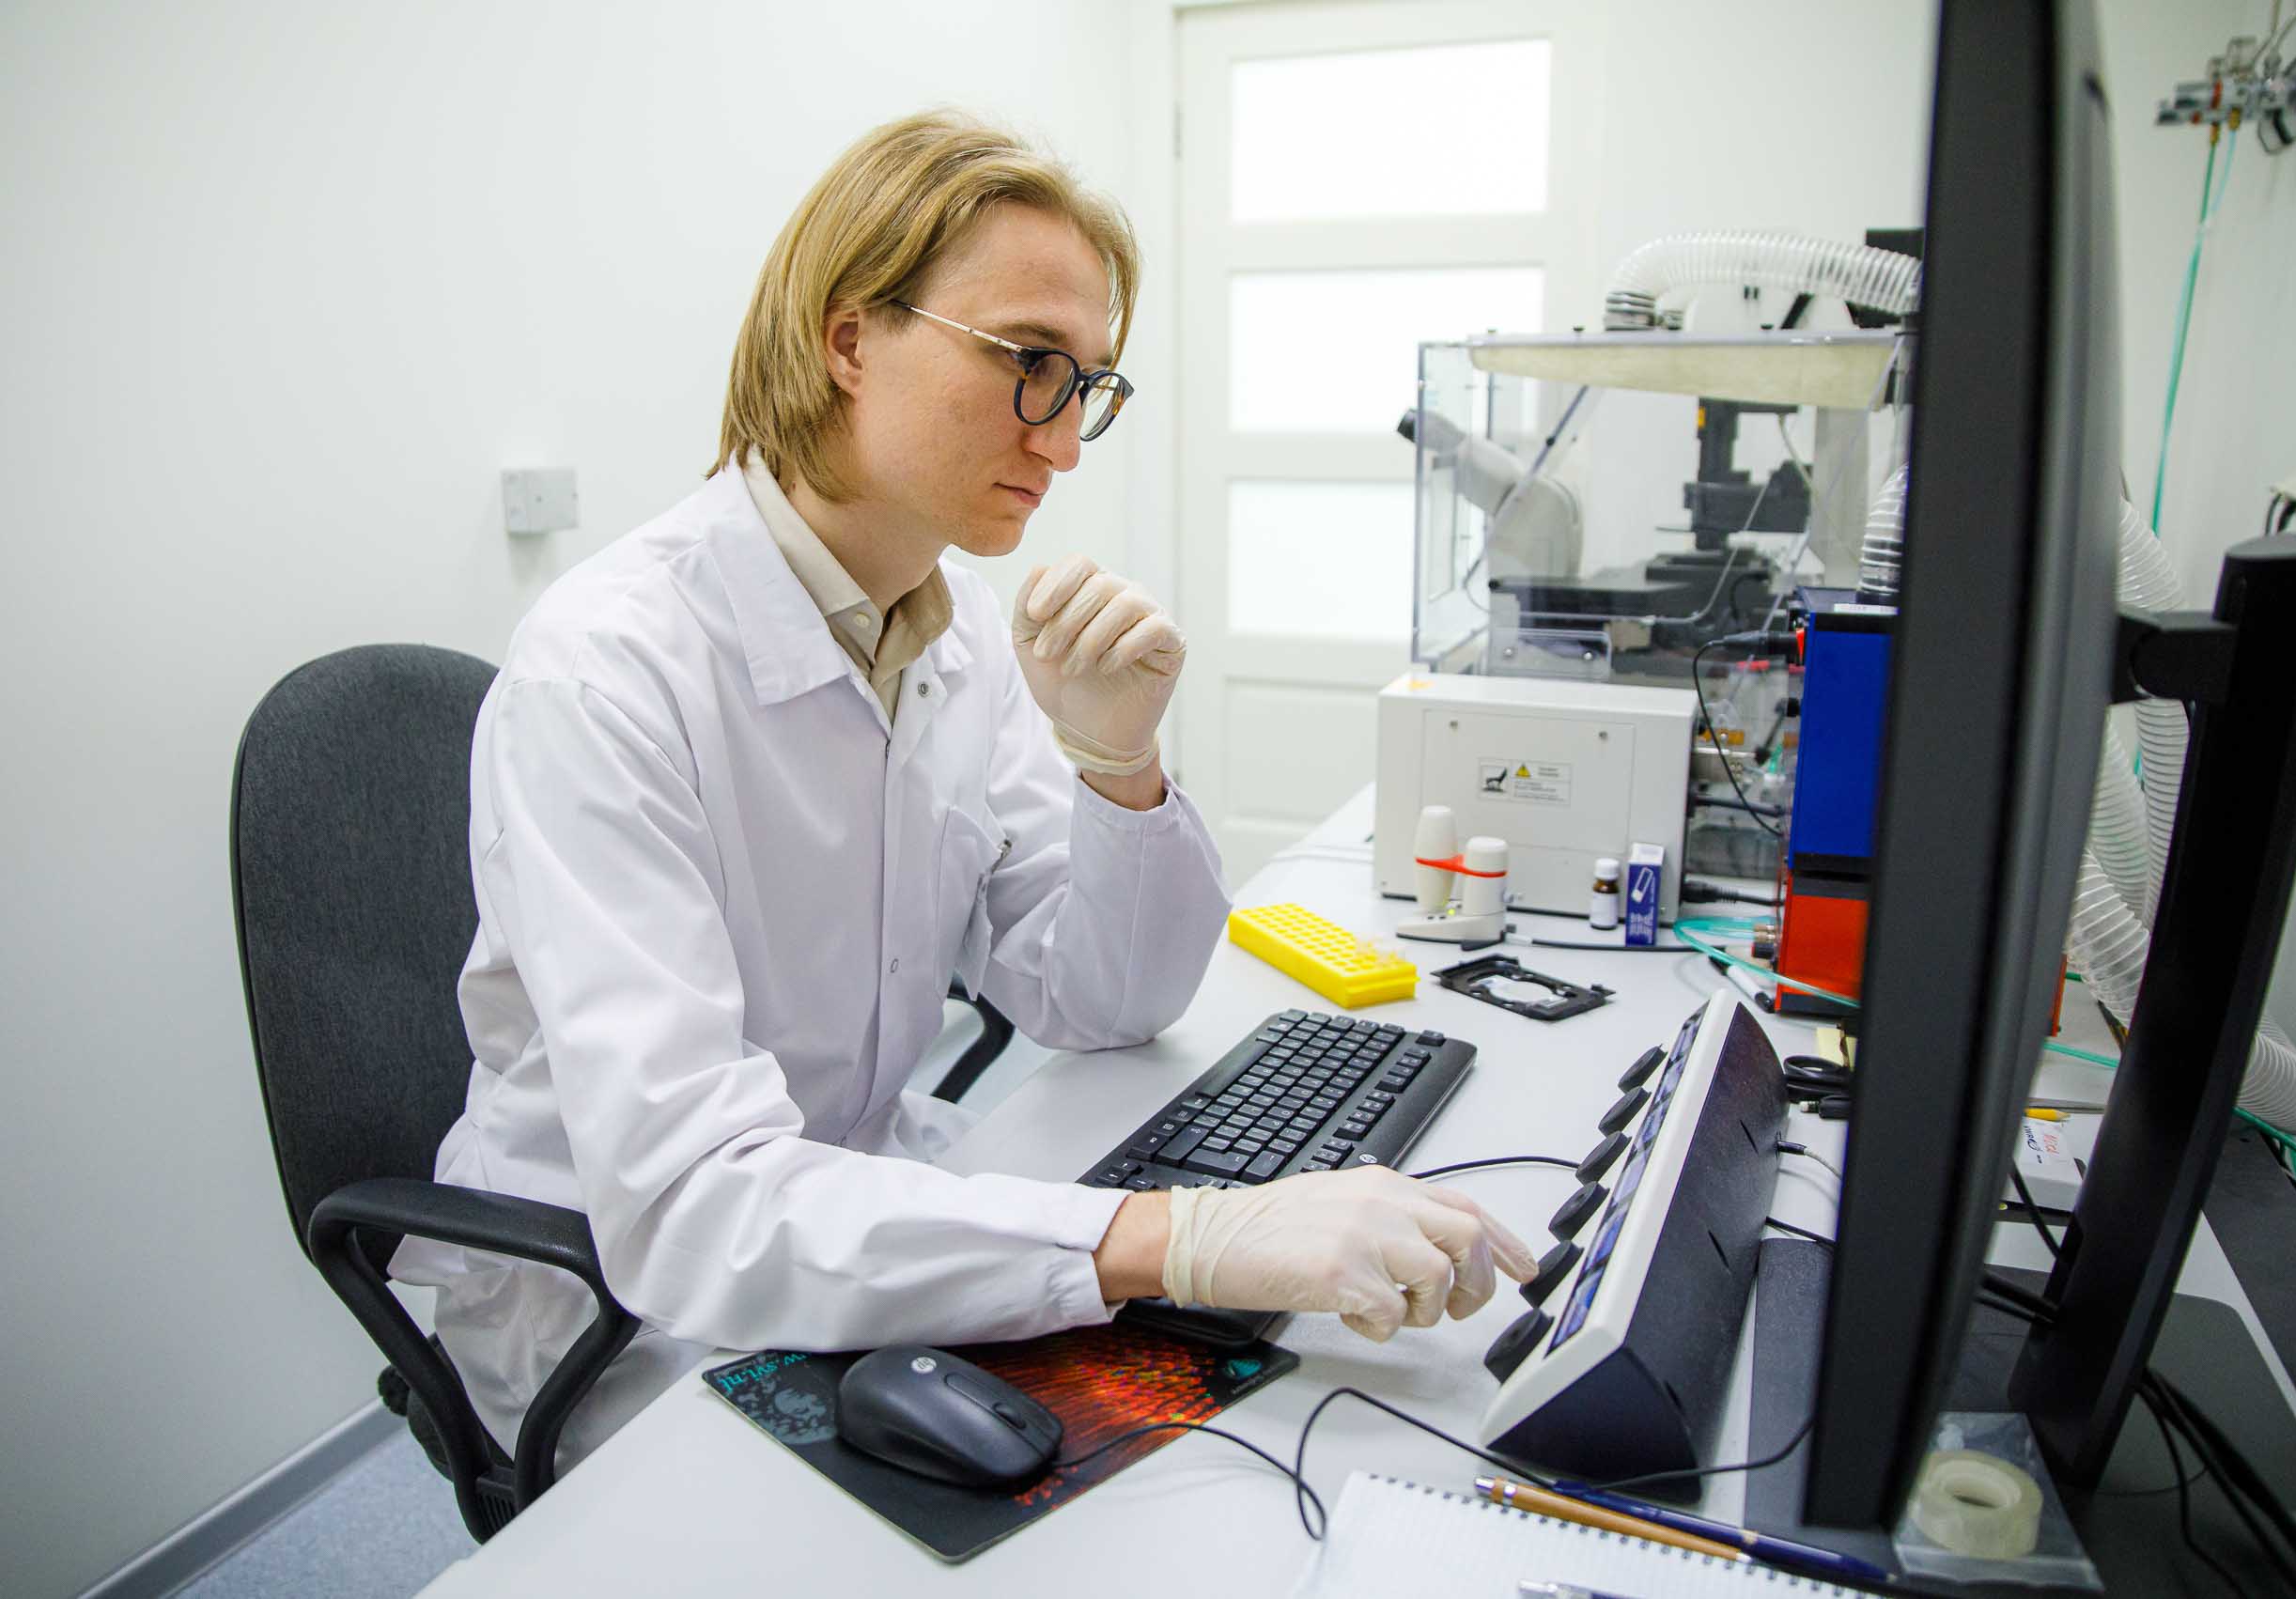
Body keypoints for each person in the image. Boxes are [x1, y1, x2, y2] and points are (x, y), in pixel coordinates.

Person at [394, 111, 1534, 1468]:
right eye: (1029, 364)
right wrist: (1182, 1235)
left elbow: (1103, 1000)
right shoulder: (606, 674)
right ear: (849, 338)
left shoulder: (959, 633)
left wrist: (1119, 769)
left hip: (850, 1210)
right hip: (619, 1312)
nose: (1065, 441)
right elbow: (695, 1202)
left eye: (1087, 385)